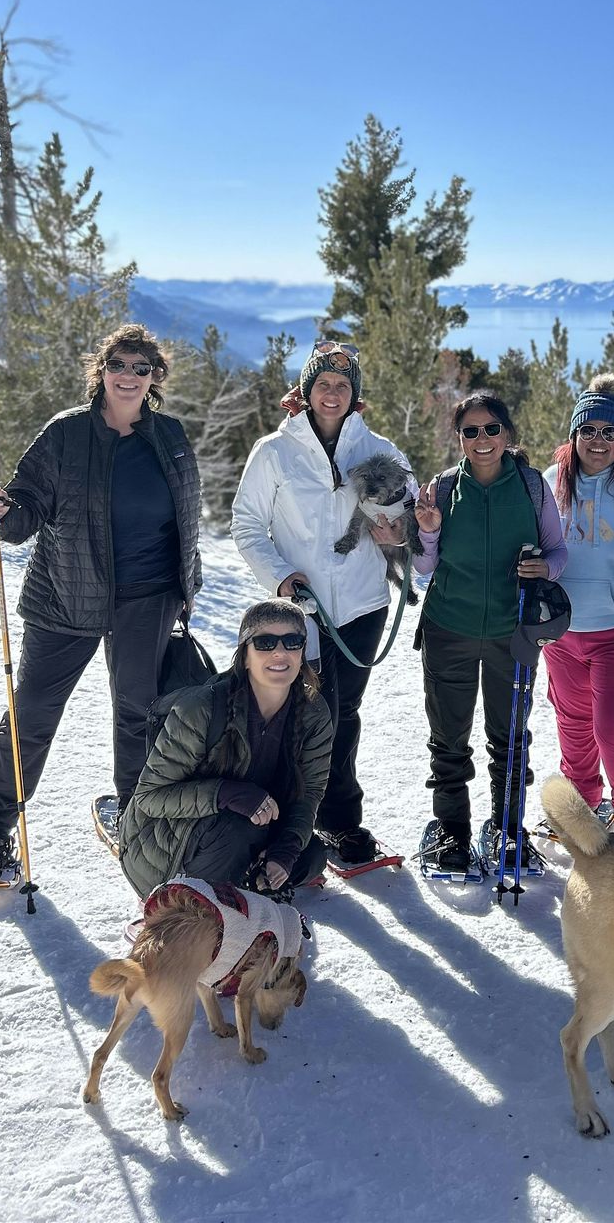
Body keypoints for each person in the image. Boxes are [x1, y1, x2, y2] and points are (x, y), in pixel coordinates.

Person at [0, 324, 202, 881]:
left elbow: (186, 519)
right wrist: (1, 512)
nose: (130, 376)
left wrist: (185, 586)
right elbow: (27, 508)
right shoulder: (66, 433)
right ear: (101, 370)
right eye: (120, 364)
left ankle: (137, 819)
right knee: (34, 711)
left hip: (149, 596)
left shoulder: (170, 435)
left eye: (142, 368)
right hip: (67, 593)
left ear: (154, 377)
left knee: (138, 713)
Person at [232, 343, 417, 869]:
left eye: (342, 386)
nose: (331, 394)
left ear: (355, 395)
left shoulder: (382, 450)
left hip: (362, 605)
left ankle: (337, 822)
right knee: (299, 714)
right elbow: (246, 524)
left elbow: (406, 531)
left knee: (343, 713)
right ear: (306, 392)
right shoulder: (274, 451)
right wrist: (280, 576)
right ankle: (281, 821)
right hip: (299, 610)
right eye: (322, 385)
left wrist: (395, 531)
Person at [413, 391, 567, 874]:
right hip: (448, 628)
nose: (482, 439)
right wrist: (430, 529)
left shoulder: (531, 486)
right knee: (449, 739)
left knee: (510, 738)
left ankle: (506, 829)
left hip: (513, 631)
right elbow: (423, 565)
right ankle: (451, 832)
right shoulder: (440, 489)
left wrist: (544, 567)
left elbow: (558, 552)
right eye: (471, 431)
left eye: (491, 429)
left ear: (507, 433)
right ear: (458, 437)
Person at [120, 600, 332, 898]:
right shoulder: (200, 709)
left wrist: (285, 849)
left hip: (254, 824)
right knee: (239, 830)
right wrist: (226, 793)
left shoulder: (313, 712)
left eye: (292, 642)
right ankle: (202, 896)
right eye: (265, 642)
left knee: (310, 856)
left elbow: (310, 790)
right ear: (245, 656)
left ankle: (254, 881)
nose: (280, 652)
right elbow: (149, 798)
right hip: (166, 843)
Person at [542, 375, 614, 818]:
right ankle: (583, 809)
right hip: (561, 631)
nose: (598, 441)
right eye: (587, 431)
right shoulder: (552, 482)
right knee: (573, 726)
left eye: (609, 433)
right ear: (573, 436)